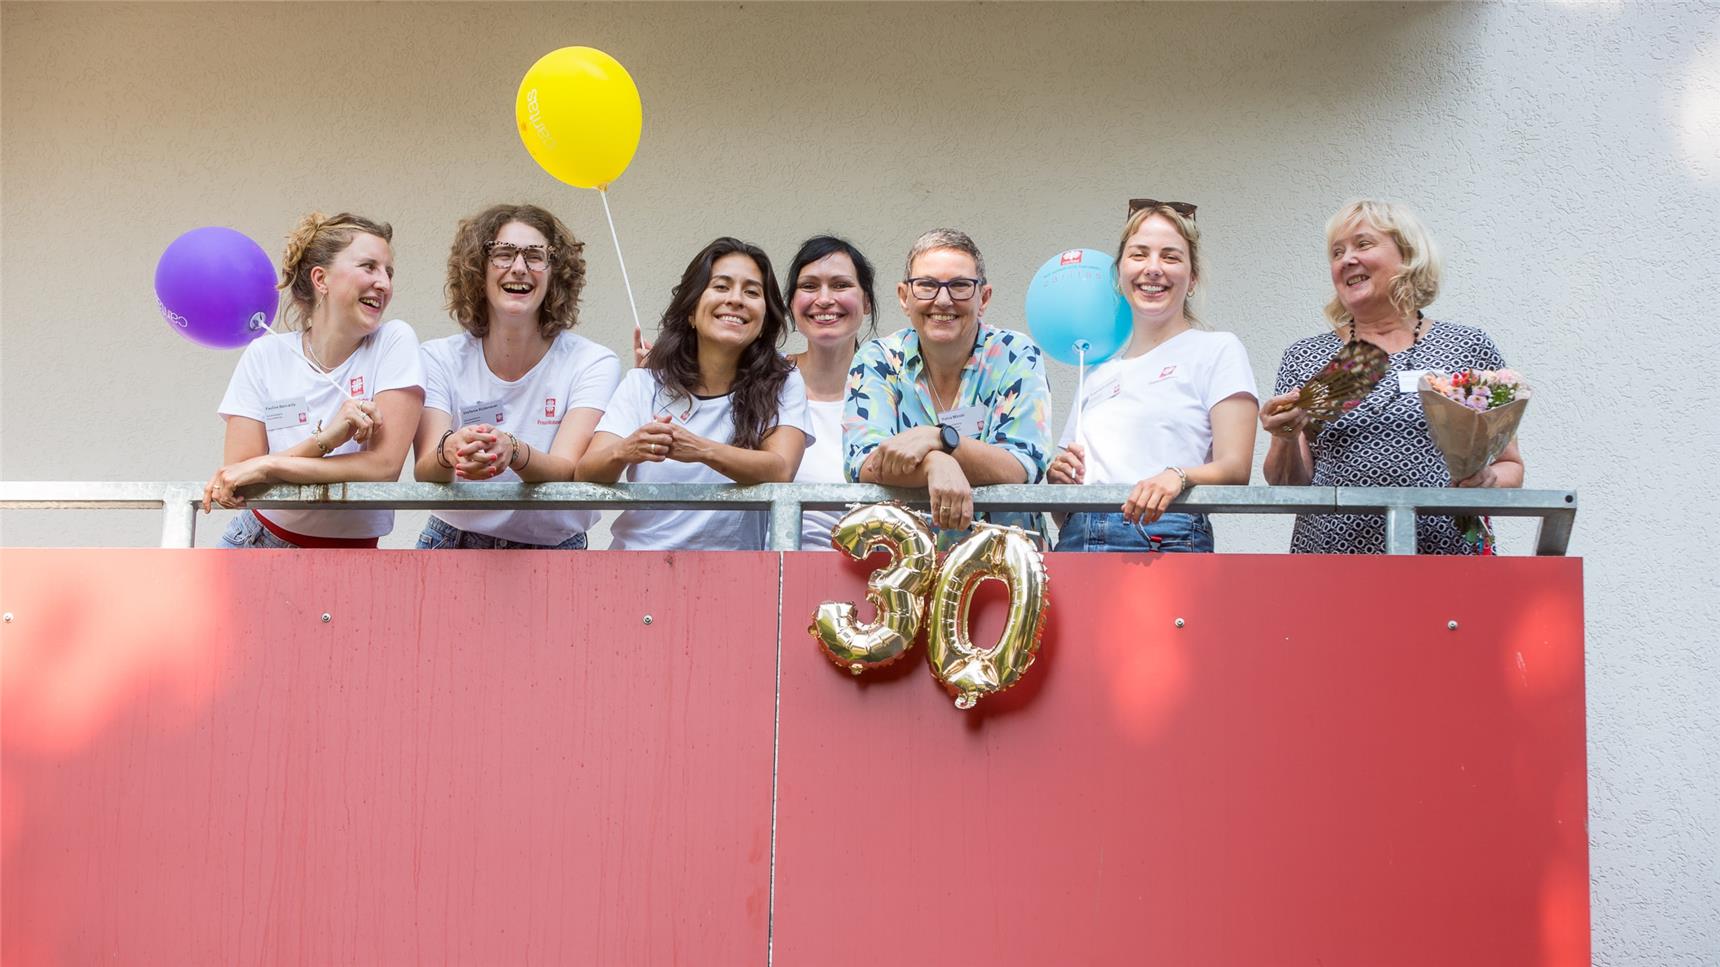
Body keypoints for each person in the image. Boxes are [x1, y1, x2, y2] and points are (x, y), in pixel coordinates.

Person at [1260, 199, 1525, 554]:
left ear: (1408, 254)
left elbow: (1511, 466)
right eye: (1337, 252)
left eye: (1363, 244)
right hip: (1332, 563)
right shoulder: (1307, 357)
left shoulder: (1467, 346)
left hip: (1448, 557)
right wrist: (1286, 436)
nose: (1346, 259)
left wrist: (1487, 480)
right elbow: (1290, 485)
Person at [1047, 200, 1258, 552]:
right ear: (1119, 274)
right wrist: (1059, 479)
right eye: (1139, 254)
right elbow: (1062, 510)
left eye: (1171, 257)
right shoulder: (1097, 371)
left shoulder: (1218, 349)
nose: (1153, 268)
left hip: (1165, 534)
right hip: (1079, 539)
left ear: (1193, 279)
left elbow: (1236, 468)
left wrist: (1178, 475)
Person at [204, 212, 424, 547]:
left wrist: (268, 466)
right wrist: (326, 441)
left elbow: (383, 466)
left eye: (388, 272)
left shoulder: (394, 341)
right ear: (321, 279)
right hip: (258, 540)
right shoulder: (265, 354)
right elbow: (240, 478)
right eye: (369, 267)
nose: (385, 283)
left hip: (354, 554)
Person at [579, 237, 811, 550]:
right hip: (635, 570)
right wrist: (626, 449)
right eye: (721, 286)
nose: (736, 299)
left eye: (752, 292)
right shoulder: (644, 382)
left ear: (764, 319)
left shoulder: (784, 380)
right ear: (691, 310)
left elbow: (781, 469)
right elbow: (586, 472)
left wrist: (701, 449)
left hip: (736, 577)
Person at [411, 204, 619, 549]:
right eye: (503, 254)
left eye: (535, 256)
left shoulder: (592, 362)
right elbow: (425, 469)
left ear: (556, 274)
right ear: (478, 269)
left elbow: (567, 471)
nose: (519, 268)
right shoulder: (439, 357)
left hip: (554, 549)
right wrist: (450, 451)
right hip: (452, 542)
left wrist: (514, 450)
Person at [844, 228, 1052, 548]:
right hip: (903, 565)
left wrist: (937, 438)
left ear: (983, 298)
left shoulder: (1016, 354)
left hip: (1008, 563)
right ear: (904, 297)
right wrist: (936, 462)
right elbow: (865, 463)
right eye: (926, 285)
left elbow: (1019, 466)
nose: (943, 300)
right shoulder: (878, 359)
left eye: (959, 285)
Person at [783, 235, 878, 550]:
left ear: (866, 302)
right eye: (809, 286)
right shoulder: (761, 380)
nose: (824, 299)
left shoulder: (894, 386)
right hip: (779, 573)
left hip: (875, 576)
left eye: (840, 285)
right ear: (791, 303)